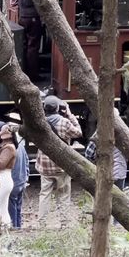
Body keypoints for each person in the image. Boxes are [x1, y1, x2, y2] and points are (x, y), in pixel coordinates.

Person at [36, 95, 82, 227]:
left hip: (44, 166)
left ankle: (42, 223)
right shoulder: (64, 123)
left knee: (44, 194)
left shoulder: (40, 122)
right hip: (62, 165)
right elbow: (78, 132)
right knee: (63, 195)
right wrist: (70, 114)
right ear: (58, 108)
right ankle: (64, 223)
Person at [10, 0, 43, 82]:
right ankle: (33, 76)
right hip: (33, 18)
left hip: (22, 19)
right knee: (32, 47)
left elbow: (12, 2)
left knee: (23, 46)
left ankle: (23, 72)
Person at [0, 121, 17, 226]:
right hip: (2, 177)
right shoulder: (4, 145)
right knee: (2, 206)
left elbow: (1, 164)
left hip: (4, 177)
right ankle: (5, 226)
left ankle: (3, 226)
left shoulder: (8, 147)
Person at [9, 115, 29, 229]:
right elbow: (26, 161)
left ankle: (14, 227)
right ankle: (18, 226)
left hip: (14, 181)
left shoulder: (10, 148)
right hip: (21, 181)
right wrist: (26, 177)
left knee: (11, 206)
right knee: (18, 206)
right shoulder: (20, 146)